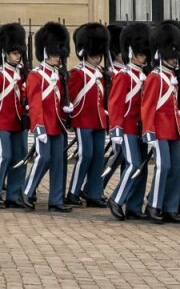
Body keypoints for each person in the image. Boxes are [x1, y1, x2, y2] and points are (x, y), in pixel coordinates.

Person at [141, 20, 180, 224]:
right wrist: (149, 131)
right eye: (170, 56)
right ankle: (154, 205)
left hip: (174, 130)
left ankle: (170, 207)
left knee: (176, 169)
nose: (174, 60)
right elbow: (149, 106)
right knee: (164, 167)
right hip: (159, 130)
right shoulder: (155, 77)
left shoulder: (172, 76)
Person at [23, 21, 72, 212]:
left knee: (59, 161)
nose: (57, 58)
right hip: (43, 125)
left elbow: (58, 100)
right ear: (45, 52)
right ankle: (27, 191)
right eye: (53, 54)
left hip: (57, 124)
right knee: (43, 158)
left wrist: (67, 108)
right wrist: (39, 127)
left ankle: (56, 199)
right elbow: (35, 104)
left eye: (59, 54)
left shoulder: (59, 75)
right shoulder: (36, 75)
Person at [107, 22, 151, 221]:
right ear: (131, 51)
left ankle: (134, 206)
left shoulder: (143, 75)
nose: (143, 57)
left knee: (141, 167)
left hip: (140, 128)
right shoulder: (124, 76)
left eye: (145, 54)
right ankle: (116, 199)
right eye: (140, 54)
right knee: (133, 165)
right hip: (126, 128)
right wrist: (115, 129)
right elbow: (115, 104)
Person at [66, 23, 110, 208]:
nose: (98, 57)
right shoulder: (77, 73)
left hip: (99, 120)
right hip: (83, 119)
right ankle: (73, 192)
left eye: (99, 54)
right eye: (94, 54)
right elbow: (71, 96)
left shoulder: (101, 73)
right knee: (86, 155)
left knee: (99, 156)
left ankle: (94, 193)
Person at [0, 22, 28, 208]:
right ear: (6, 53)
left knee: (20, 157)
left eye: (19, 53)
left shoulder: (22, 74)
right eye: (15, 53)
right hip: (2, 122)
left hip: (18, 122)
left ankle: (13, 194)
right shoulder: (2, 74)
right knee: (5, 157)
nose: (18, 57)